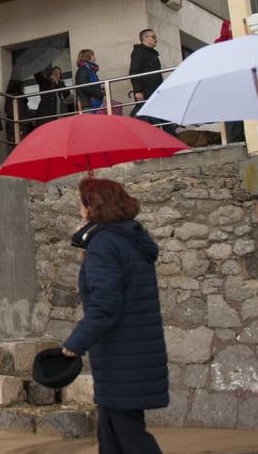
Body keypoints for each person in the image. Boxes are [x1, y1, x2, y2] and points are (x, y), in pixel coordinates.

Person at [60, 178, 168, 454]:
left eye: (81, 202)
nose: (78, 209)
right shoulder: (126, 237)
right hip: (131, 352)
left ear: (92, 206)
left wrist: (75, 343)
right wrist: (89, 244)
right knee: (110, 435)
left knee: (129, 437)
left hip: (123, 354)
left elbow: (106, 305)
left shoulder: (105, 244)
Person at [129, 29, 174, 134]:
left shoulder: (152, 53)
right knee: (154, 119)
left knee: (162, 118)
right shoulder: (139, 52)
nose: (156, 39)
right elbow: (134, 71)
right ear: (145, 38)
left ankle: (171, 139)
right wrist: (138, 91)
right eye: (153, 37)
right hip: (147, 91)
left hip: (155, 90)